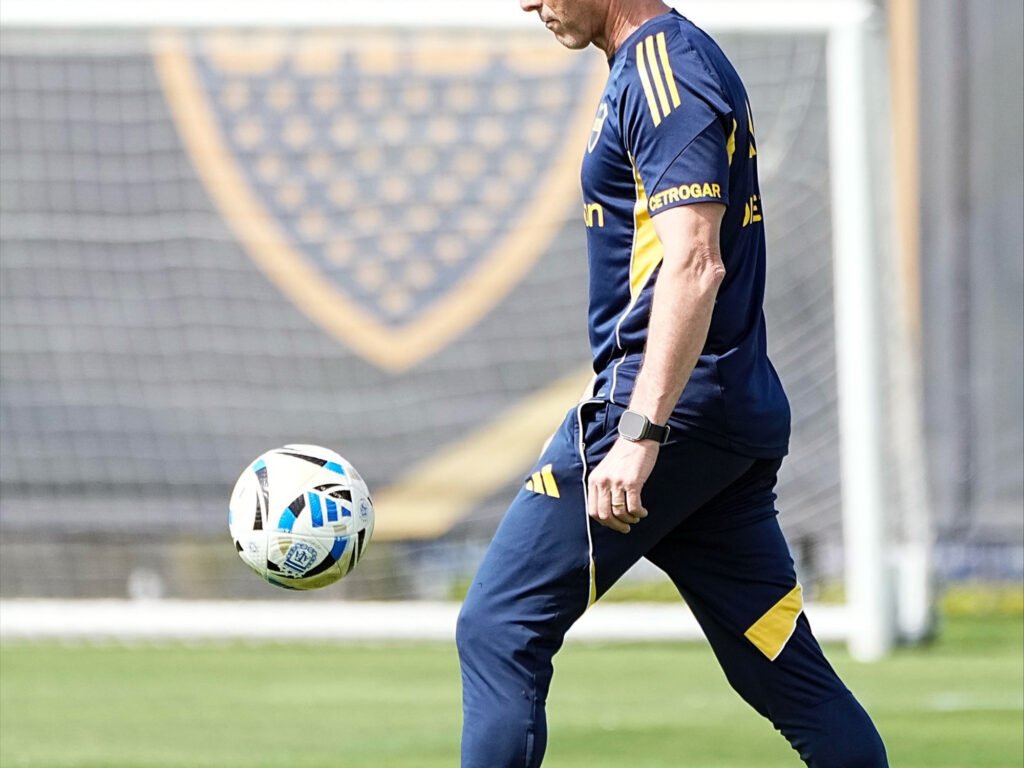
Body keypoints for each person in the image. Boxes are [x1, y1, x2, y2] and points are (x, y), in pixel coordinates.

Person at [456, 1, 889, 765]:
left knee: (499, 629)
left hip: (665, 422)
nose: (527, 3)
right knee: (788, 678)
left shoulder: (667, 71)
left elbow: (695, 262)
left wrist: (639, 432)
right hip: (714, 431)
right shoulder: (650, 66)